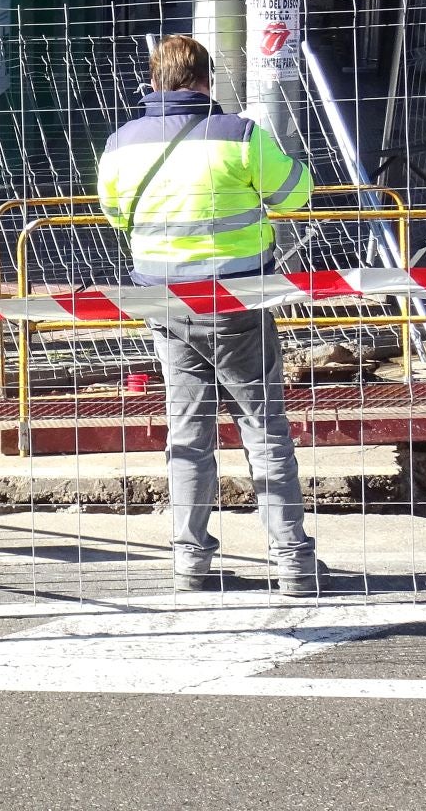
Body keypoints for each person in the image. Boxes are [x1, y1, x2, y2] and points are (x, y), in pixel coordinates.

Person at [96, 34, 322, 596]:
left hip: (164, 304)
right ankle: (292, 560)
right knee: (264, 426)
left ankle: (189, 562)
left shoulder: (122, 143)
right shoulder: (240, 137)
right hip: (238, 303)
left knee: (188, 431)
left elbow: (118, 215)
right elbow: (296, 194)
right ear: (205, 81)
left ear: (154, 82)